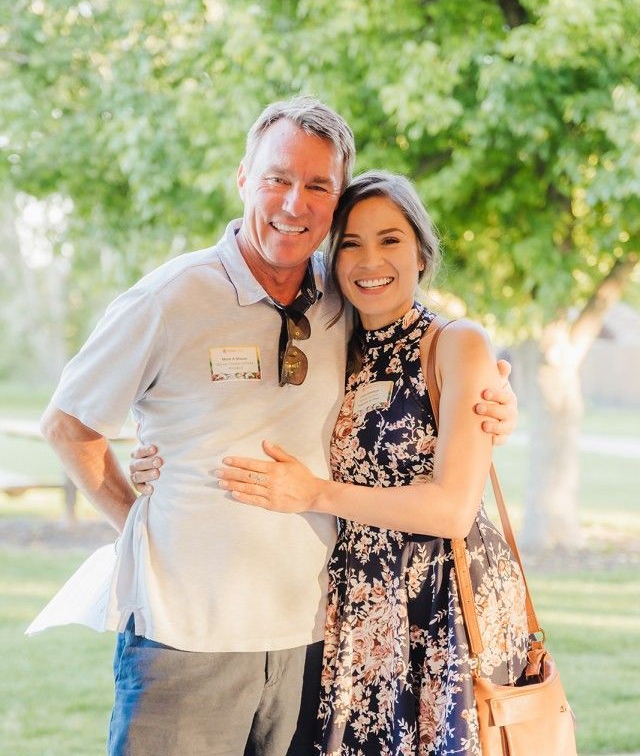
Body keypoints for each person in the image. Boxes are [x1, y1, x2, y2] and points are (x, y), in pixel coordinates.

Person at [42, 98, 518, 756]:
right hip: (188, 641)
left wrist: (495, 400)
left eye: (317, 186)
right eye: (277, 179)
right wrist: (138, 525)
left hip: (316, 644)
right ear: (244, 179)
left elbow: (424, 365)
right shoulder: (172, 297)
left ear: (334, 201)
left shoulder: (342, 299)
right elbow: (69, 425)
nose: (294, 203)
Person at [206, 171, 530, 756]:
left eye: (390, 240)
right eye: (351, 242)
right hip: (358, 603)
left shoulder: (458, 344)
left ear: (422, 253)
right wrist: (155, 458)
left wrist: (313, 492)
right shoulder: (331, 345)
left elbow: (453, 509)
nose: (369, 259)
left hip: (443, 602)